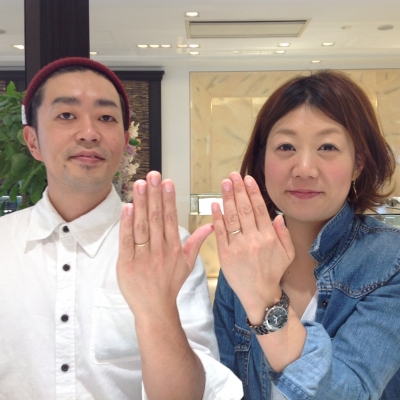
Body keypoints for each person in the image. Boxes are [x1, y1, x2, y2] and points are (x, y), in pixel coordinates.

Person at [0, 57, 243, 399]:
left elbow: (191, 394)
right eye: (66, 115)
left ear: (124, 140)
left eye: (106, 118)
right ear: (33, 141)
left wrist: (155, 308)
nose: (89, 132)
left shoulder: (166, 248)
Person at [211, 70, 400, 399]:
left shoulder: (389, 261)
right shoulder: (241, 262)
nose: (304, 169)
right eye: (286, 147)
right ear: (262, 161)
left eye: (328, 147)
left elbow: (350, 391)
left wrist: (266, 301)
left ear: (358, 164)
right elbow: (225, 385)